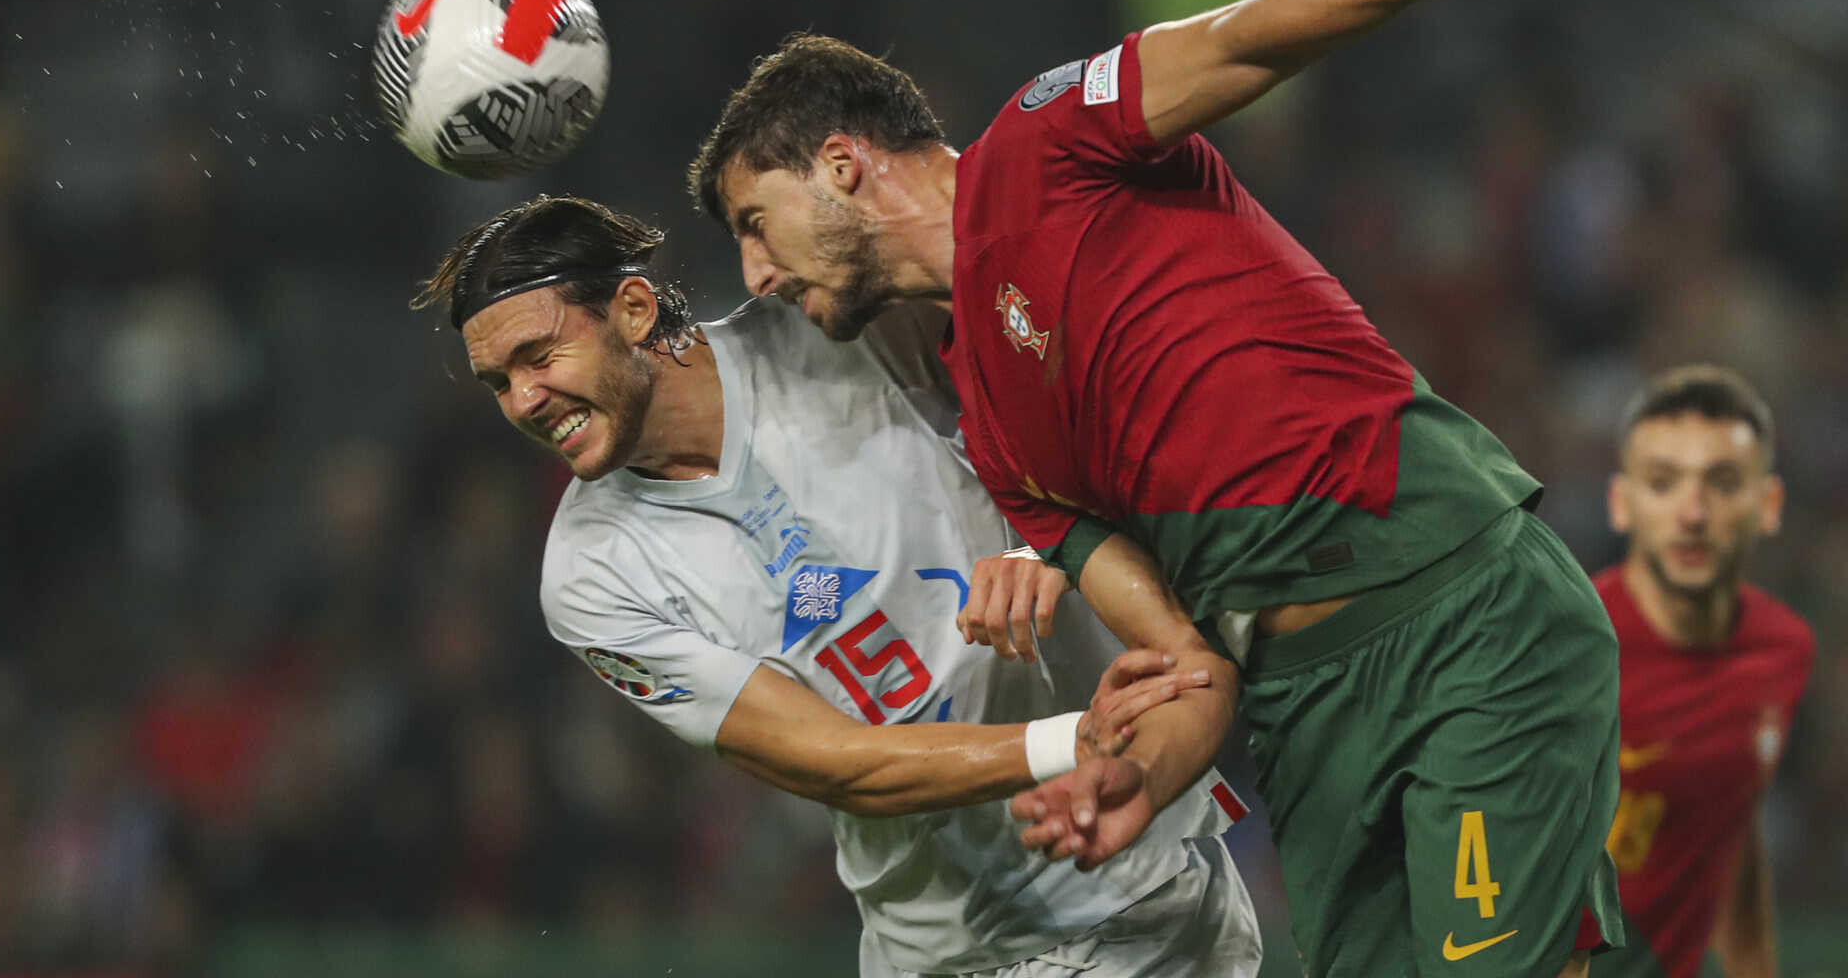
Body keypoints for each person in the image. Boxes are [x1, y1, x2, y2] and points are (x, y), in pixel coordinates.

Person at [689, 0, 1623, 978]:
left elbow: (1250, 35)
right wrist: (1131, 772)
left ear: (839, 162)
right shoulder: (998, 428)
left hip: (1457, 609)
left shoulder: (1043, 141)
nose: (754, 272)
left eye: (754, 222)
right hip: (1302, 709)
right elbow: (1186, 659)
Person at [413, 193, 1263, 978]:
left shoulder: (838, 327)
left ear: (633, 311)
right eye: (499, 382)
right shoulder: (590, 574)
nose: (524, 399)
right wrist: (1073, 741)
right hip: (936, 951)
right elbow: (835, 765)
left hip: (1134, 901)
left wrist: (1056, 555)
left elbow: (1092, 408)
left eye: (539, 355)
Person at [1591, 366, 1814, 978]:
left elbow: (1731, 825)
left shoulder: (1783, 650)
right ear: (1622, 502)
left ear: (1768, 504)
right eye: (1663, 483)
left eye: (1722, 483)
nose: (1693, 513)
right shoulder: (1561, 649)